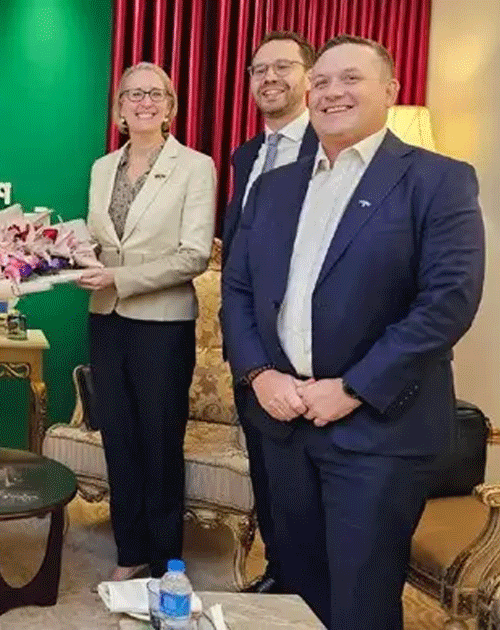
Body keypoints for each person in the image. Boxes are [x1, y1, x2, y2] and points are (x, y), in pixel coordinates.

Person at [222, 35, 485, 630]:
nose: (332, 92)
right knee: (299, 594)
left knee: (360, 605)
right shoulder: (273, 187)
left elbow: (447, 303)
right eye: (321, 81)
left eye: (351, 79)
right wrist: (259, 374)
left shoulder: (438, 180)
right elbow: (237, 289)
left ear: (390, 91)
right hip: (285, 424)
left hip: (378, 432)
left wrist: (351, 388)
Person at [77, 62, 216, 581]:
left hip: (162, 325)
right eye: (133, 94)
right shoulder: (101, 168)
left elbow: (194, 255)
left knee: (160, 443)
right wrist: (71, 255)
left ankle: (165, 561)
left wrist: (118, 277)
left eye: (155, 94)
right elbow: (100, 239)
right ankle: (130, 552)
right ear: (119, 109)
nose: (144, 102)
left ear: (170, 106)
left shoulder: (194, 167)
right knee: (118, 440)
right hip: (106, 319)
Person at [221, 30, 318, 594]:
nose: (270, 78)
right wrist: (246, 356)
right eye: (259, 70)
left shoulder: (328, 148)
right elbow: (239, 259)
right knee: (268, 477)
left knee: (304, 492)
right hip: (249, 349)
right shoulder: (247, 154)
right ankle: (279, 575)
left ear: (309, 76)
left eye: (283, 66)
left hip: (302, 355)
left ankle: (306, 592)